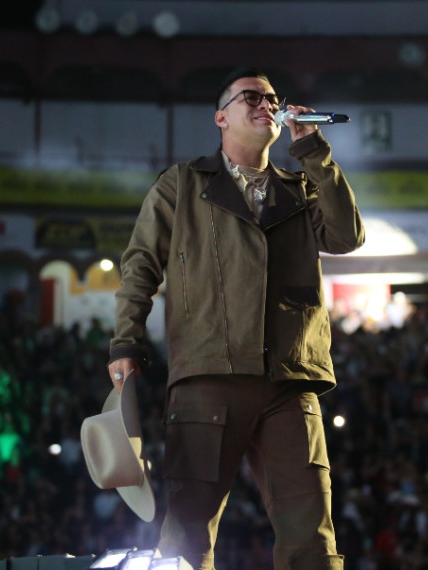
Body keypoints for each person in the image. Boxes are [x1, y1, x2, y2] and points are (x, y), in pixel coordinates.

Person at [106, 66, 365, 570]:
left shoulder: (301, 186)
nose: (266, 103)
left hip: (289, 380)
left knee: (311, 538)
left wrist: (312, 147)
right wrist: (125, 343)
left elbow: (346, 237)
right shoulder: (181, 185)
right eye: (251, 96)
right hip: (208, 379)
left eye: (273, 98)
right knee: (186, 535)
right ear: (221, 117)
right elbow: (140, 266)